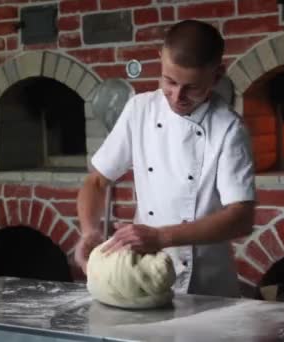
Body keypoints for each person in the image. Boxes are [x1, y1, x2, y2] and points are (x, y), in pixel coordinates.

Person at [74, 19, 256, 298]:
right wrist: (89, 232)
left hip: (206, 285)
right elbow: (97, 180)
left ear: (216, 76)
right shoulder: (140, 109)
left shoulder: (229, 128)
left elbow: (240, 218)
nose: (177, 96)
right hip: (142, 274)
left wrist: (161, 238)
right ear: (161, 60)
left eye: (191, 87)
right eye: (169, 81)